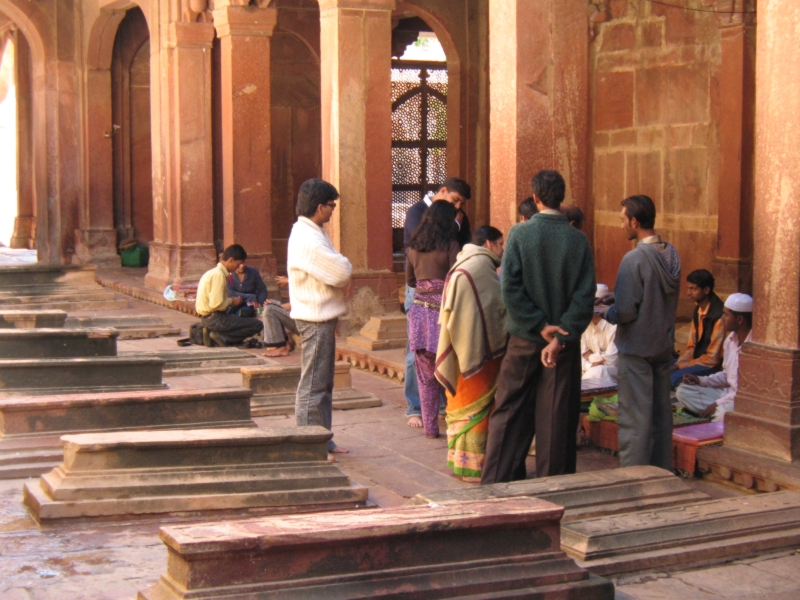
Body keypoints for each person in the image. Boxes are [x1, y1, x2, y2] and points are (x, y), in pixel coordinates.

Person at [481, 170, 596, 483]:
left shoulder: (520, 234)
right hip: (563, 344)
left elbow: (511, 289)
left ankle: (495, 483)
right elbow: (585, 297)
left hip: (525, 339)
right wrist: (559, 335)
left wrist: (538, 325)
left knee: (508, 410)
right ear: (561, 198)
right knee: (556, 418)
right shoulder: (578, 241)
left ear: (535, 198)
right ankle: (555, 487)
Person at [602, 195, 681, 470]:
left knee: (635, 417)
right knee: (661, 414)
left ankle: (634, 476)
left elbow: (626, 312)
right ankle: (661, 471)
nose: (622, 225)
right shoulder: (671, 254)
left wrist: (606, 312)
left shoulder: (634, 259)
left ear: (635, 222)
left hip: (636, 347)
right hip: (661, 344)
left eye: (624, 220)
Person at [287, 178, 353, 460]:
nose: (333, 210)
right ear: (319, 207)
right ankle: (309, 443)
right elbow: (341, 271)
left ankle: (322, 438)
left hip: (321, 316)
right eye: (331, 206)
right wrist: (345, 263)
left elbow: (336, 267)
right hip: (314, 318)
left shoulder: (313, 232)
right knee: (313, 384)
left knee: (323, 383)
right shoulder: (307, 237)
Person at [436, 226, 508, 482]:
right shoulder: (481, 268)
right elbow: (495, 312)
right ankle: (475, 468)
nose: (502, 249)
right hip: (477, 354)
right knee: (476, 407)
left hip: (462, 350)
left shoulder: (465, 263)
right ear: (489, 244)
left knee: (463, 403)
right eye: (500, 244)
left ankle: (460, 462)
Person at [402, 177, 472, 429]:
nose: (457, 208)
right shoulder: (416, 213)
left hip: (421, 304)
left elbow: (410, 279)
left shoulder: (414, 249)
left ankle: (432, 422)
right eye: (454, 202)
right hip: (443, 303)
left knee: (424, 359)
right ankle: (415, 408)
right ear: (443, 192)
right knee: (438, 355)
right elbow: (459, 268)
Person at [406, 200, 460, 439]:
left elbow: (409, 281)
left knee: (425, 374)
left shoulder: (413, 247)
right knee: (452, 367)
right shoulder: (450, 245)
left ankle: (430, 428)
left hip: (418, 313)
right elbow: (457, 278)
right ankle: (457, 424)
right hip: (442, 314)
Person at [676, 293, 753, 422]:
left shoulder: (755, 346)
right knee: (682, 391)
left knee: (723, 413)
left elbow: (748, 390)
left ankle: (717, 414)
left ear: (740, 319)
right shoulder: (730, 340)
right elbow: (726, 375)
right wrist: (701, 380)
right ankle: (717, 414)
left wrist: (717, 403)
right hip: (727, 394)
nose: (722, 318)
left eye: (726, 314)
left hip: (744, 400)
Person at [196, 245, 264, 347]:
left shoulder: (212, 272)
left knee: (240, 318)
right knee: (257, 325)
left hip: (209, 317)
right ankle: (222, 336)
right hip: (215, 317)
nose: (238, 267)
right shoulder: (218, 275)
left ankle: (216, 334)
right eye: (238, 264)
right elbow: (216, 304)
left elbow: (262, 289)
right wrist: (231, 301)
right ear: (231, 260)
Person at [669, 269, 725, 387]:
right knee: (659, 368)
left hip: (711, 366)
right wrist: (678, 364)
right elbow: (692, 347)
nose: (688, 292)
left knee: (673, 378)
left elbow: (712, 359)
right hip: (698, 360)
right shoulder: (698, 310)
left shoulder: (719, 316)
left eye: (693, 289)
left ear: (706, 290)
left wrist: (678, 366)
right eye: (688, 288)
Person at [581, 284, 618, 386]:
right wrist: (590, 364)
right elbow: (579, 355)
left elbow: (611, 361)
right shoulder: (583, 325)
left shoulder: (614, 325)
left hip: (612, 373)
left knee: (599, 371)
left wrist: (589, 356)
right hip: (588, 369)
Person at [261, 276, 298, 358]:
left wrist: (290, 281)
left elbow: (298, 305)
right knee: (271, 306)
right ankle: (285, 343)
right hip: (299, 319)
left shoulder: (309, 285)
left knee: (270, 309)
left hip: (307, 323)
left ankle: (279, 346)